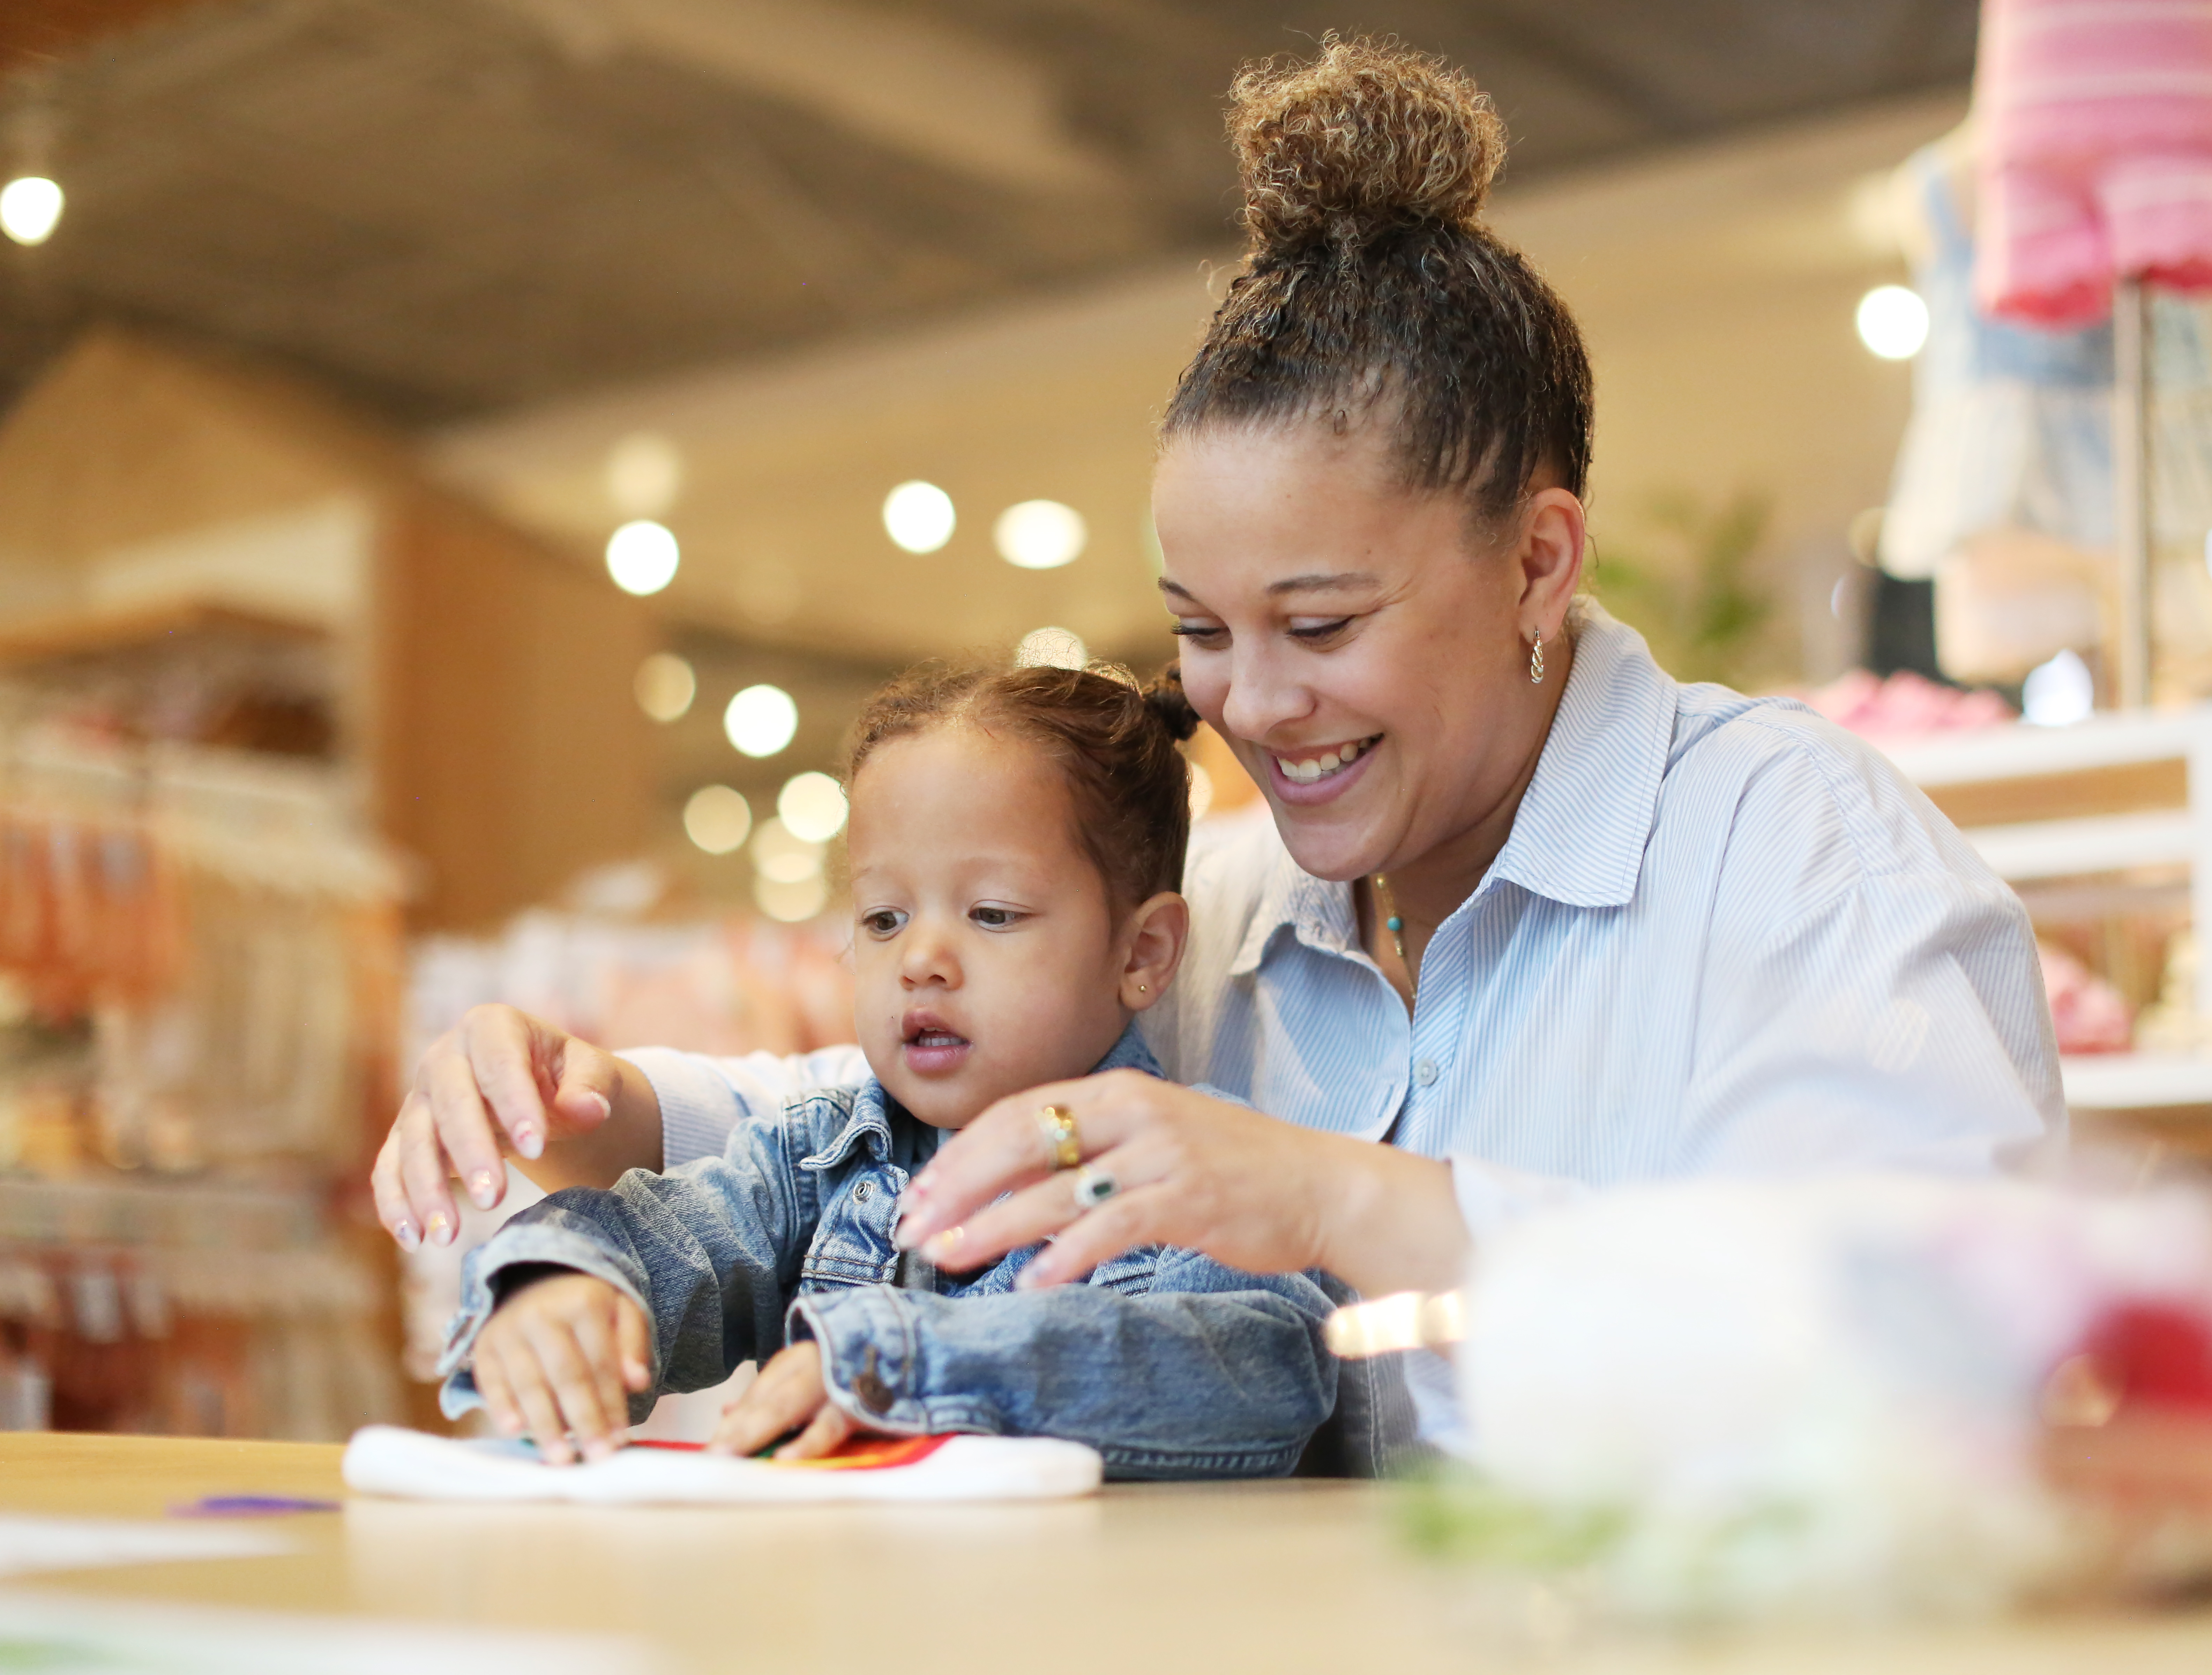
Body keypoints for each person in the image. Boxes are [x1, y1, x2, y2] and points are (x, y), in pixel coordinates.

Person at [374, 37, 2062, 1460]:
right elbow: (857, 1112)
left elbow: (1955, 1331)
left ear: (1539, 560)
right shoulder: (1230, 910)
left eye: (1321, 627)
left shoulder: (1796, 854)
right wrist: (566, 1091)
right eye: (1200, 633)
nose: (1248, 706)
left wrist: (1342, 1200)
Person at [436, 661, 1336, 1473]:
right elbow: (668, 1236)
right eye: (882, 919)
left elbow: (1259, 1372)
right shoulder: (820, 1160)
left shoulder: (1186, 1167)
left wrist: (898, 1361)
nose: (921, 960)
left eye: (992, 914)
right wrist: (560, 1285)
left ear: (1142, 951)